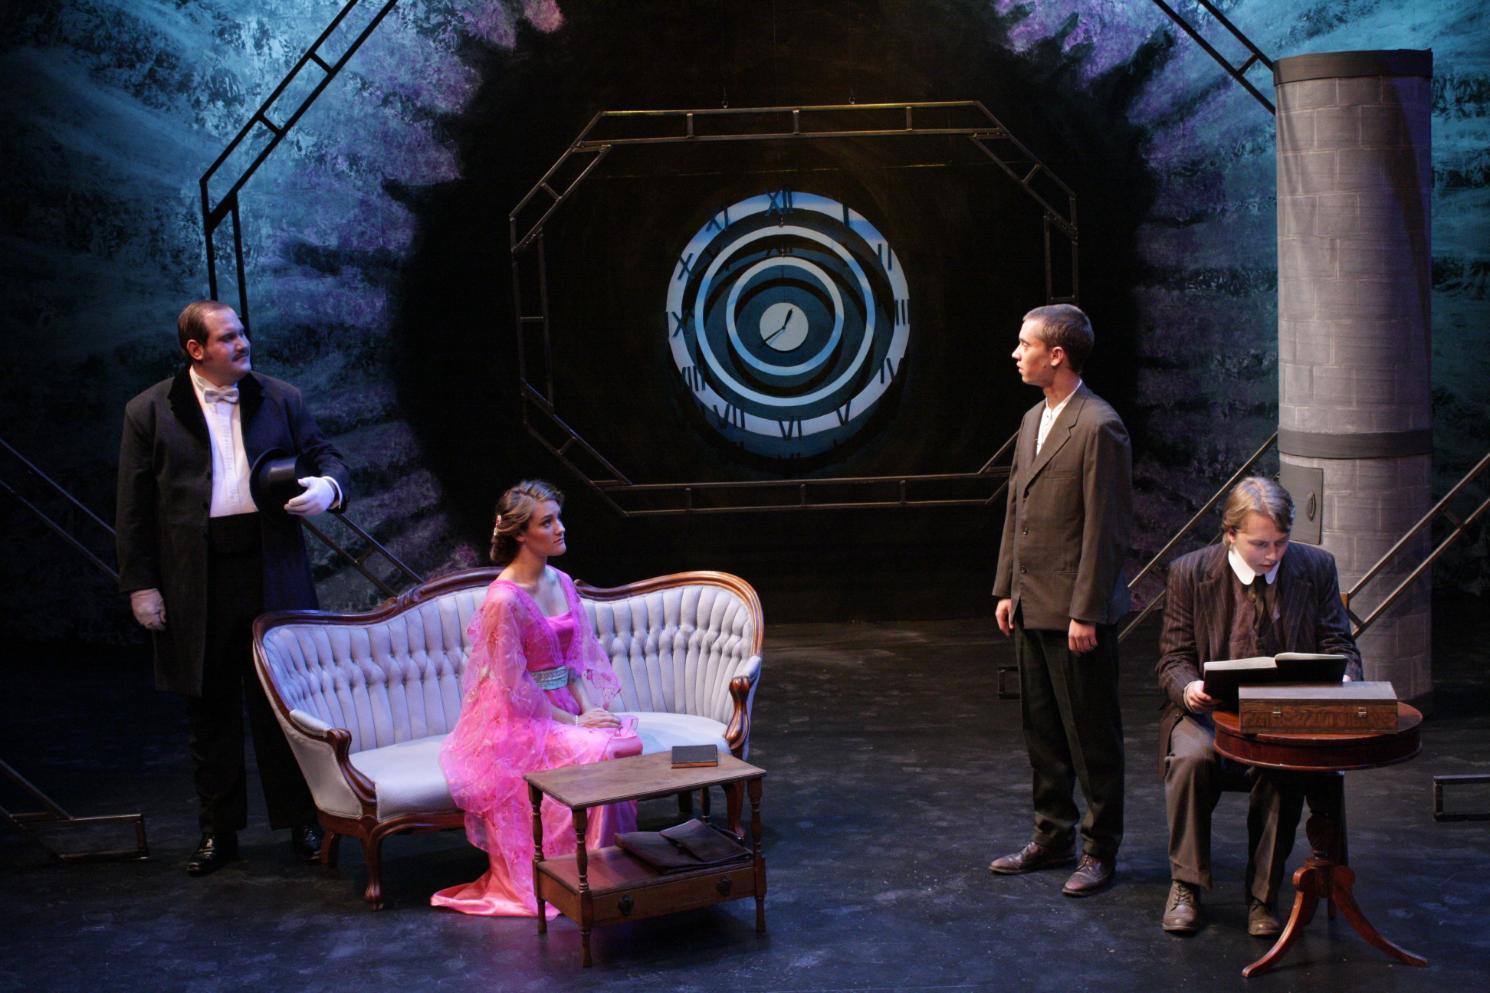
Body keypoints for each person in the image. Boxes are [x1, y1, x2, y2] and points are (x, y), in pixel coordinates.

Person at [116, 300, 349, 875]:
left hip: (270, 568)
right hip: (196, 578)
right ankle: (218, 832)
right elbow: (134, 507)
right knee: (209, 710)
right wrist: (141, 585)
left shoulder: (281, 397)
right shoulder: (149, 410)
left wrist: (328, 488)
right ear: (196, 350)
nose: (242, 344)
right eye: (227, 338)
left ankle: (303, 822)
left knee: (286, 707)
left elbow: (329, 457)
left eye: (242, 333)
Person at [1155, 476, 1361, 937]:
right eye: (1260, 544)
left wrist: (1341, 681)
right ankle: (1186, 884)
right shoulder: (1190, 573)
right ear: (1230, 534)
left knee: (1282, 765)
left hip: (1283, 716)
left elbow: (1340, 644)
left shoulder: (1314, 568)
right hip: (1211, 715)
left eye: (1281, 542)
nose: (1272, 555)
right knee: (1189, 759)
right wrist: (1189, 688)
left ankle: (1262, 896)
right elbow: (1173, 658)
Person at [432, 480, 642, 917]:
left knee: (622, 742)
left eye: (558, 518)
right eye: (547, 523)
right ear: (520, 534)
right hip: (519, 720)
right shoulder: (503, 600)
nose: (560, 528)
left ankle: (615, 866)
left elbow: (572, 662)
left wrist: (588, 708)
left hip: (563, 707)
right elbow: (514, 688)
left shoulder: (561, 581)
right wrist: (575, 724)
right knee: (600, 750)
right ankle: (583, 876)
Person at [989, 303, 1132, 897]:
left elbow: (1106, 527)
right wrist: (1006, 587)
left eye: (1025, 345)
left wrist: (1086, 610)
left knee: (1090, 736)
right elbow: (1016, 508)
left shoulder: (1099, 425)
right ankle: (1053, 836)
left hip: (1076, 613)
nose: (1016, 353)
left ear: (1057, 355)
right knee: (1042, 731)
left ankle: (1099, 849)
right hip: (1031, 603)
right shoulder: (1033, 419)